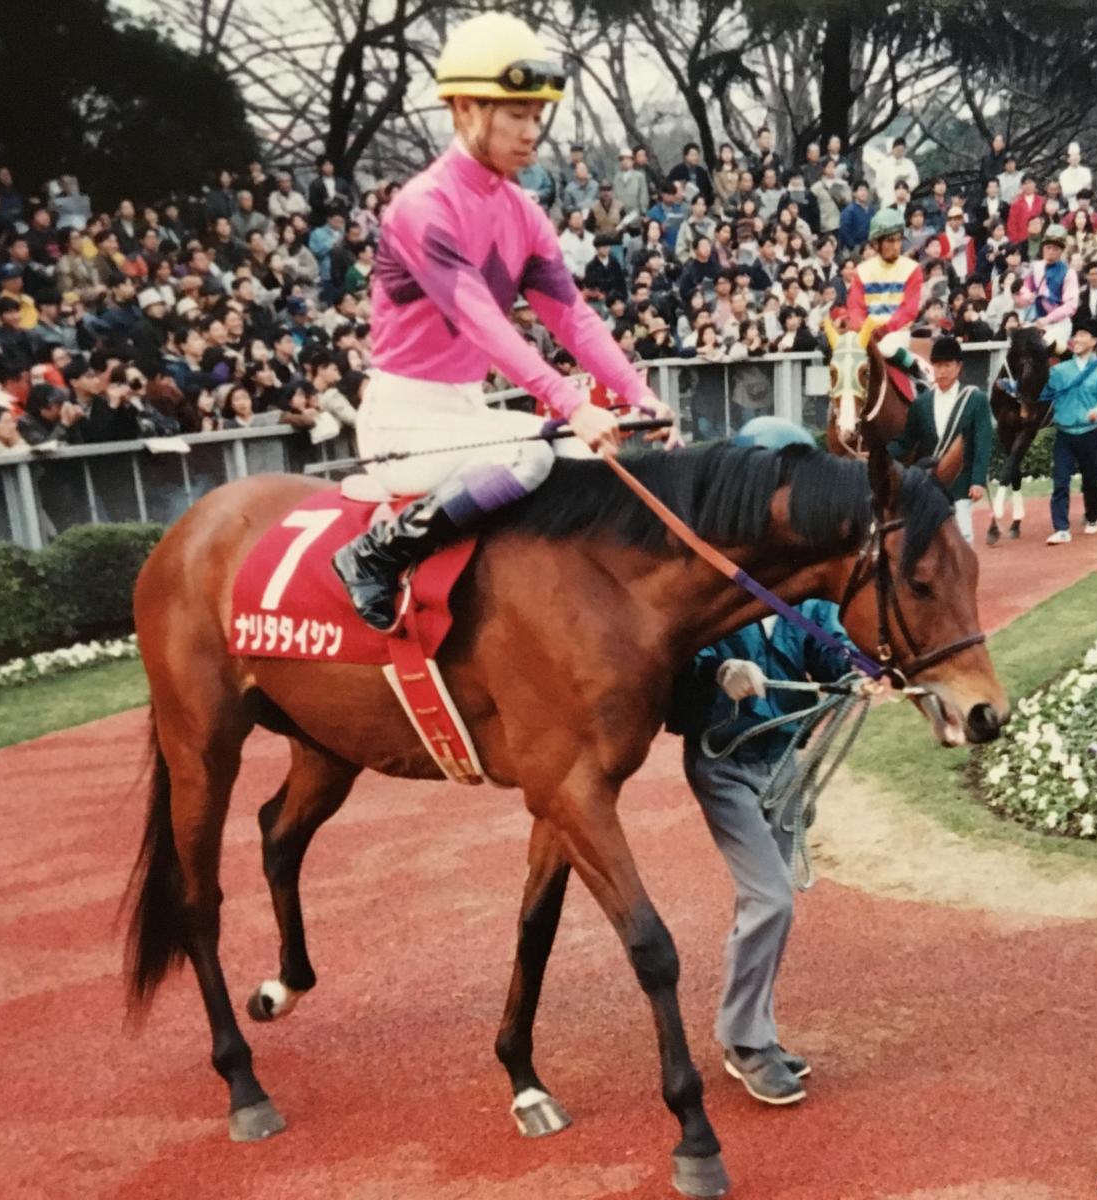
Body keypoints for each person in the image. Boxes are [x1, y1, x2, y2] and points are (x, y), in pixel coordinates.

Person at [330, 13, 678, 632]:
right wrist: (571, 403)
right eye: (516, 114)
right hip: (403, 421)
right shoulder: (421, 207)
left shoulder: (523, 211)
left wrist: (638, 394)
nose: (531, 132)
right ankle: (376, 553)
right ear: (466, 109)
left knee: (589, 458)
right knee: (531, 457)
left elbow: (572, 318)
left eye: (537, 117)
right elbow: (482, 323)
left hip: (467, 413)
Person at [665, 416, 883, 1106]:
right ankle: (744, 1041)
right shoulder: (705, 582)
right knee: (770, 899)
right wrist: (718, 671)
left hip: (783, 764)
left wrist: (855, 671)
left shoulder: (799, 586)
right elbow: (677, 669)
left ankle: (754, 1027)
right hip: (726, 763)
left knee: (767, 904)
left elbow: (828, 645)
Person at [885, 336, 992, 543]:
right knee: (929, 539)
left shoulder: (975, 399)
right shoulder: (921, 403)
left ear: (958, 367)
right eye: (937, 366)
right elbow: (906, 441)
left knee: (962, 536)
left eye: (947, 365)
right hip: (929, 482)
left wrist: (978, 481)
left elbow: (983, 443)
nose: (942, 371)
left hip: (960, 482)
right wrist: (881, 455)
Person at [1041, 326, 1097, 545]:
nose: (1077, 339)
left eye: (1083, 335)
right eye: (1076, 335)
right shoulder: (1059, 370)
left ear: (1094, 341)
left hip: (1090, 433)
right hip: (1064, 433)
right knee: (1060, 482)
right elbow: (1042, 391)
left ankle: (1092, 516)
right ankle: (1061, 528)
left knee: (1092, 480)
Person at [849, 210, 927, 383]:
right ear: (876, 244)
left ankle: (918, 373)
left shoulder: (912, 269)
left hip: (897, 332)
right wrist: (865, 329)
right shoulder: (861, 271)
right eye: (891, 241)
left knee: (886, 348)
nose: (896, 246)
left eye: (899, 240)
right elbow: (855, 309)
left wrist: (882, 329)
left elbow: (908, 310)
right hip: (868, 334)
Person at [1017, 225, 1079, 352]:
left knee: (1044, 347)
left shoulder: (1069, 273)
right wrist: (1027, 296)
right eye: (1048, 247)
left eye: (1055, 248)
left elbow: (1071, 305)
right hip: (1036, 319)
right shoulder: (1035, 267)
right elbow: (1024, 288)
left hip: (1059, 323)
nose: (1051, 251)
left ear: (1061, 251)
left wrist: (1048, 319)